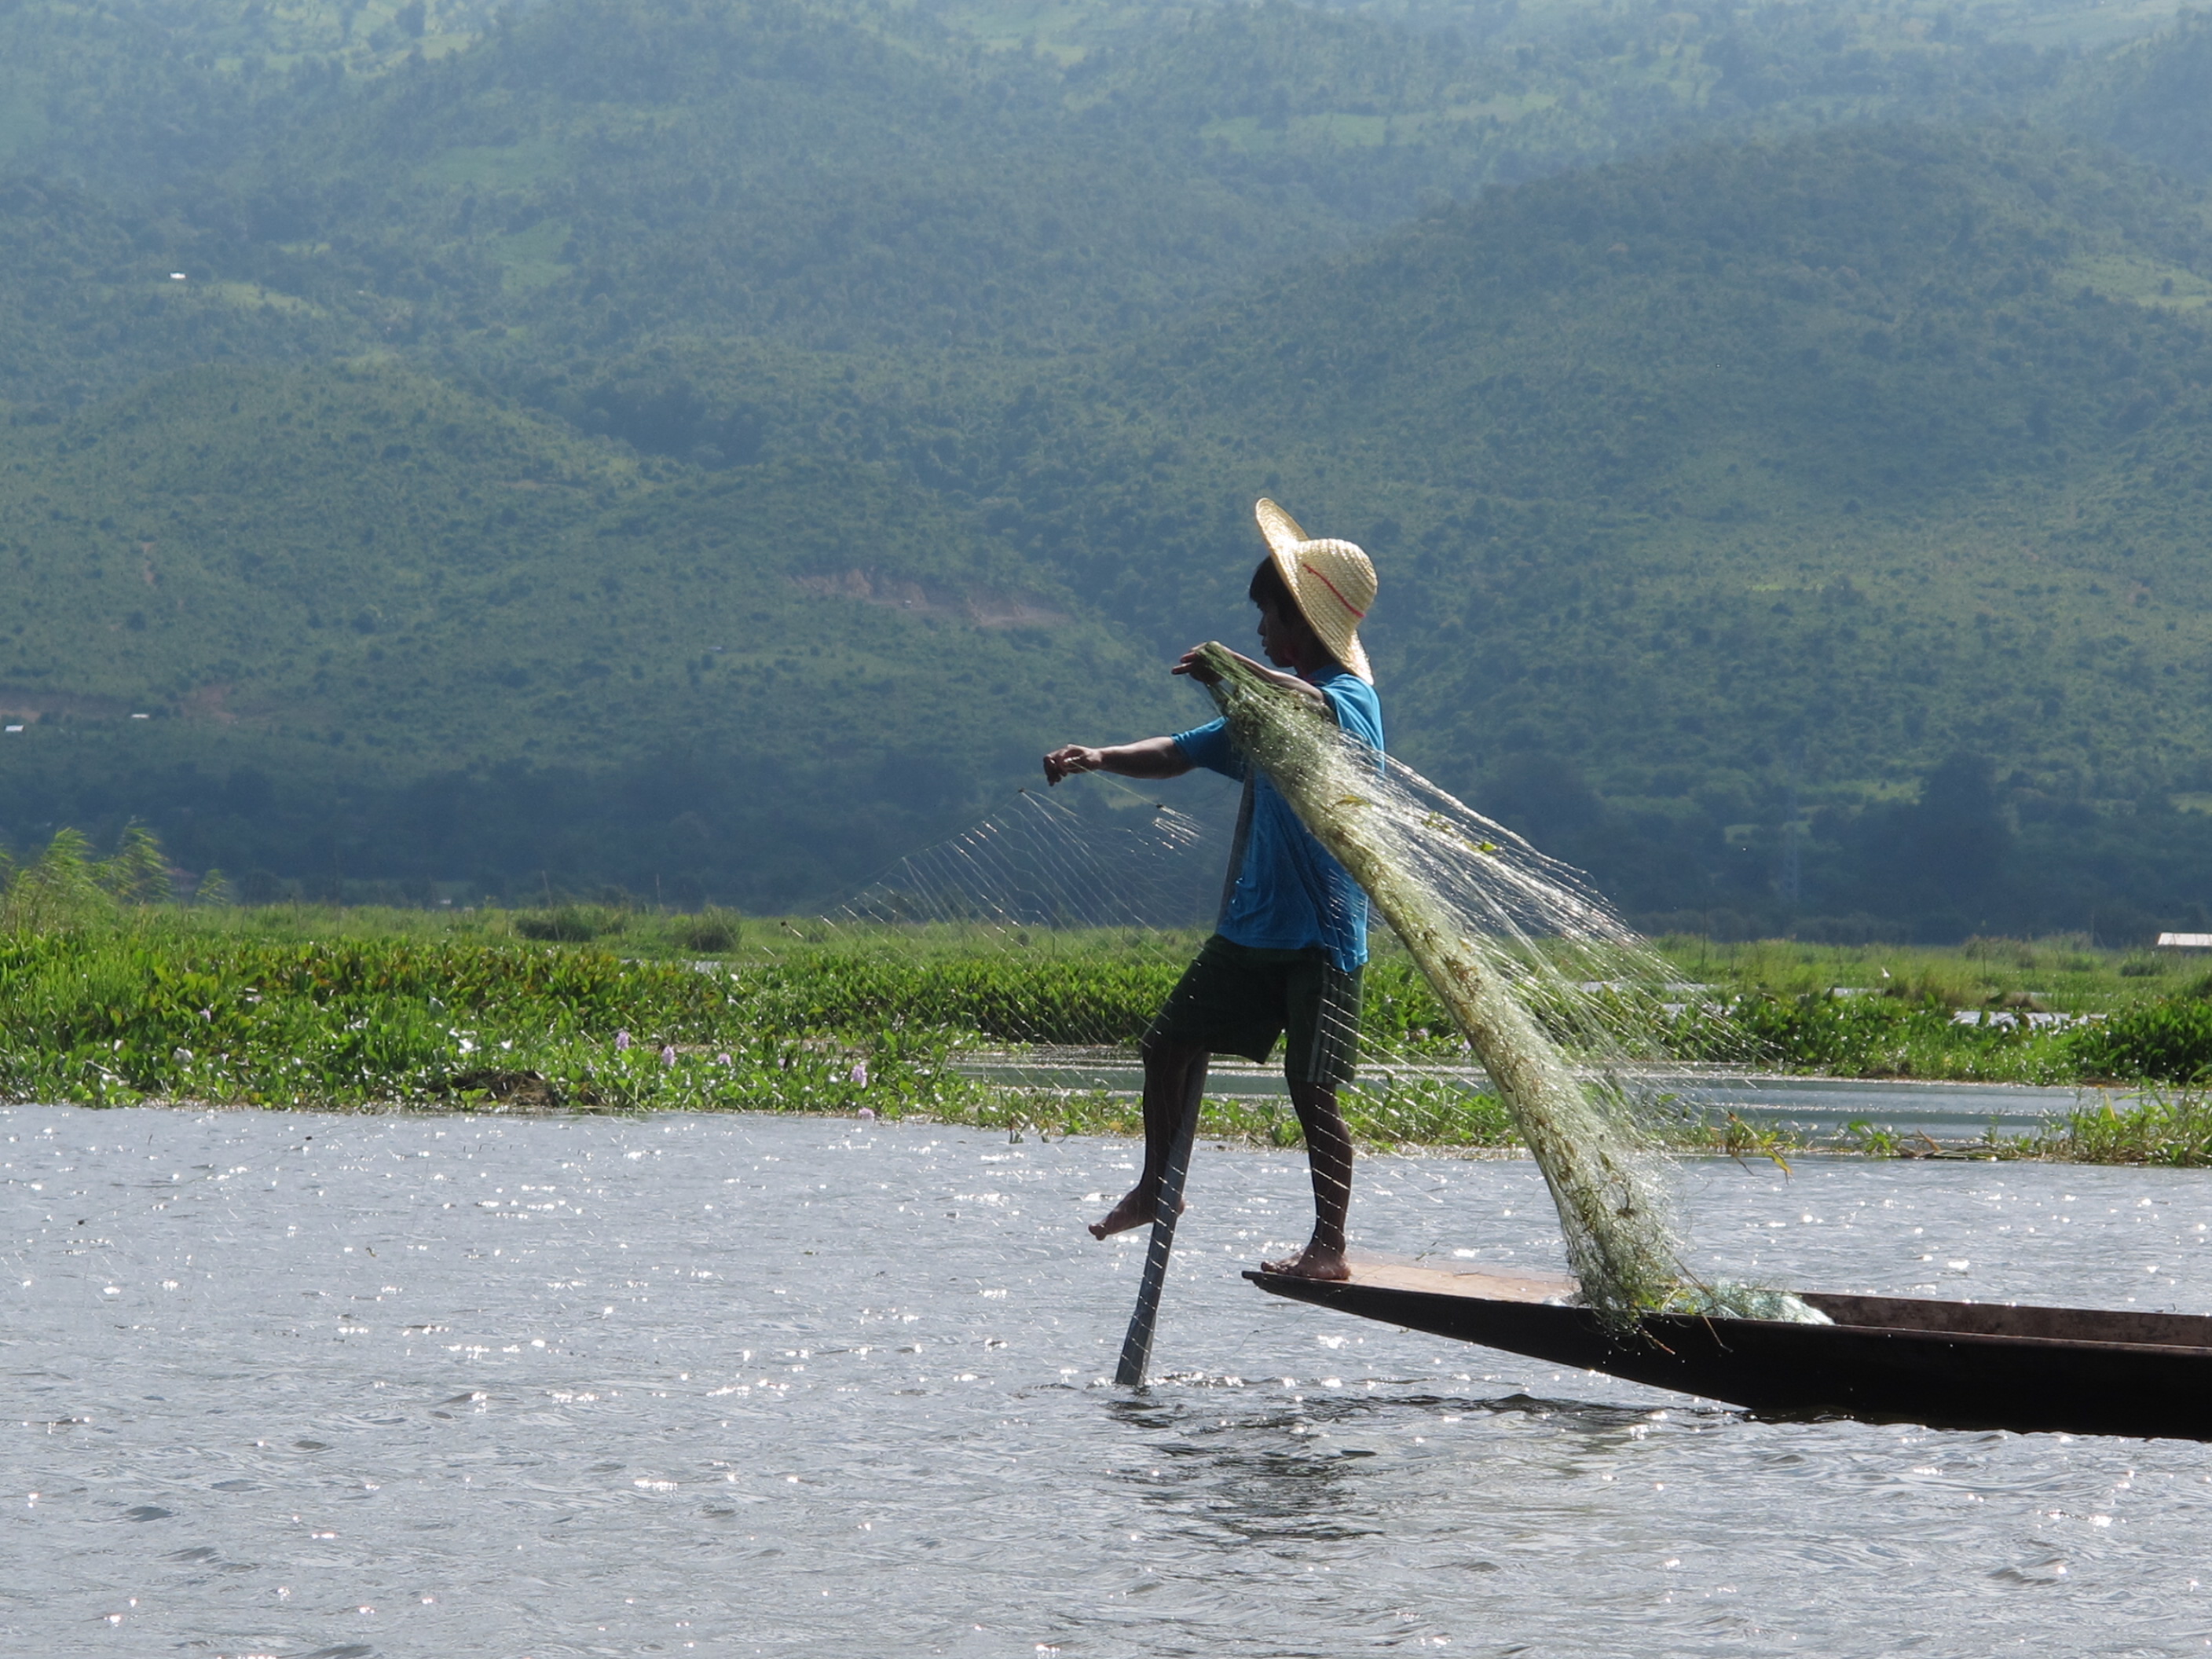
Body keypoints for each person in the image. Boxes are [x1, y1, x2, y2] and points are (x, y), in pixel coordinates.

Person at [1042, 499, 1382, 1281]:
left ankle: (1327, 1247)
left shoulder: (1343, 698)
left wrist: (1236, 671)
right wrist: (1098, 756)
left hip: (1323, 934)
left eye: (1268, 618)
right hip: (1255, 926)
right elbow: (1181, 750)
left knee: (1311, 1089)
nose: (1262, 633)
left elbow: (1308, 708)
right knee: (1166, 1044)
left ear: (1297, 621)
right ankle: (1157, 1185)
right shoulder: (1266, 711)